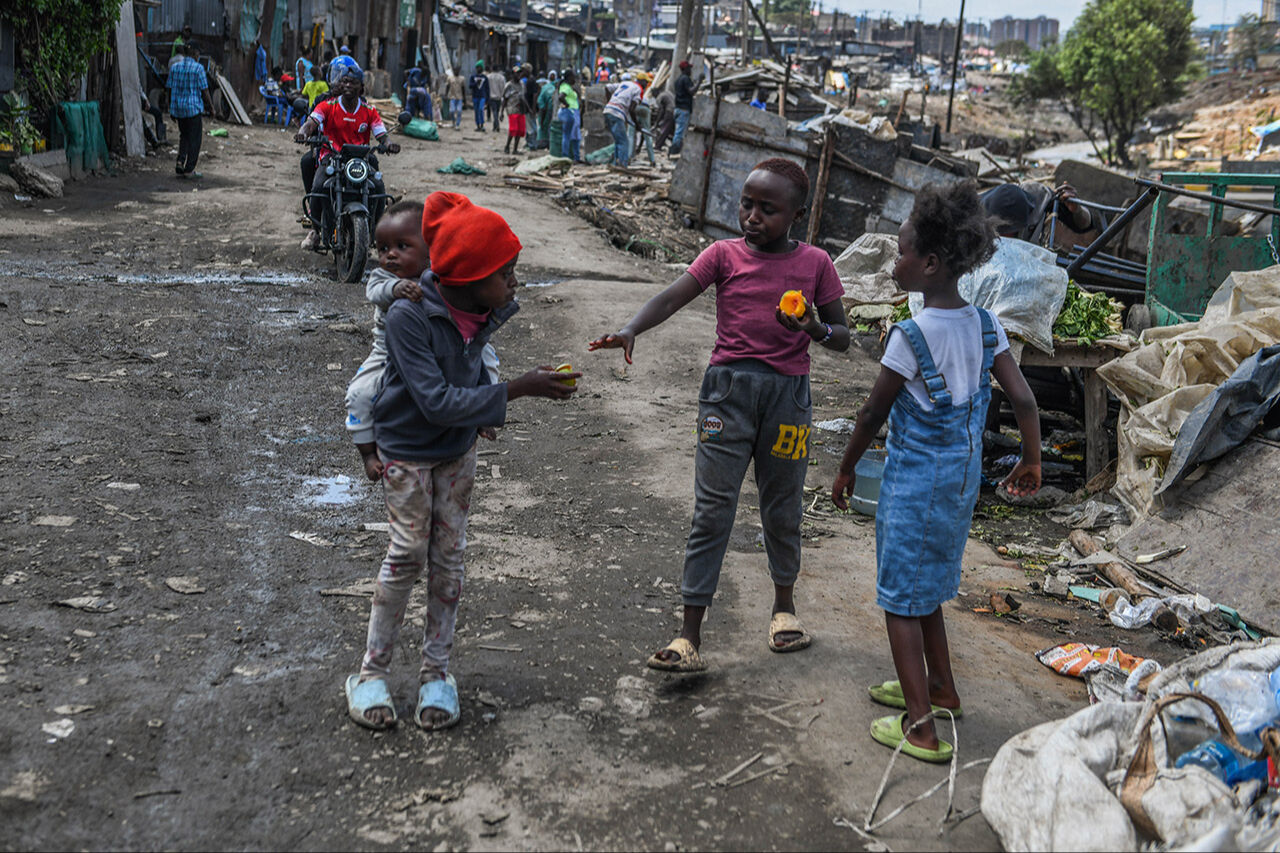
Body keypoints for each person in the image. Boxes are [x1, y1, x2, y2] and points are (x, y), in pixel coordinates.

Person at [589, 159, 850, 672]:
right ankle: (689, 636)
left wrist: (811, 328)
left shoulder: (817, 263)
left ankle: (783, 609)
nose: (752, 216)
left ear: (796, 214)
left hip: (788, 400)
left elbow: (842, 338)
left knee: (782, 507)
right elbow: (672, 296)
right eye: (747, 204)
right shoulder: (722, 255)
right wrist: (632, 328)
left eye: (767, 209)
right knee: (712, 510)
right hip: (725, 396)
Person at [343, 191, 581, 731]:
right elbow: (435, 400)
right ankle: (371, 674)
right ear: (469, 278)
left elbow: (471, 373)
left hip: (456, 453)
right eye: (507, 272)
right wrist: (516, 391)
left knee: (449, 560)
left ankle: (436, 673)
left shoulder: (481, 310)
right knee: (406, 555)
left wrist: (492, 402)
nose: (515, 283)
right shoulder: (408, 317)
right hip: (406, 453)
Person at [830, 182, 1042, 763]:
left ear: (928, 264)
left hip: (915, 486)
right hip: (959, 488)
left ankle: (922, 727)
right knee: (926, 590)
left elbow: (873, 412)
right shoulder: (985, 326)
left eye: (899, 253)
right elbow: (1024, 401)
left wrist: (846, 467)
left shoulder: (911, 335)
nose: (893, 262)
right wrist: (1031, 459)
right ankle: (942, 688)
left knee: (901, 598)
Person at [294, 69, 400, 250]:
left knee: (379, 187)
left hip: (359, 159)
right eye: (345, 82)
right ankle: (315, 231)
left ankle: (374, 231)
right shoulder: (328, 106)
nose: (348, 86)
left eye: (353, 82)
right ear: (340, 85)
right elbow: (311, 122)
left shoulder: (369, 111)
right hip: (331, 156)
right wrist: (303, 133)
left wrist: (389, 144)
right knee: (319, 185)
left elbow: (381, 133)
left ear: (362, 88)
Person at [981, 181, 1103, 248]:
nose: (1007, 238)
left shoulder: (1042, 199)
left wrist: (1077, 210)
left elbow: (1083, 226)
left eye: (1010, 232)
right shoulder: (974, 217)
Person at [164, 42, 212, 180]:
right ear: (195, 53)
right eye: (198, 53)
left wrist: (170, 108)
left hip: (178, 109)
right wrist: (212, 108)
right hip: (193, 109)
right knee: (195, 139)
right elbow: (205, 90)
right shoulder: (198, 69)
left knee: (184, 136)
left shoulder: (175, 67)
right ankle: (189, 169)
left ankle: (180, 161)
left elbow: (169, 88)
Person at [602, 76, 644, 167]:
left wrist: (609, 101)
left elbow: (607, 87)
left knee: (618, 140)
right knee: (624, 142)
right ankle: (623, 165)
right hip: (617, 113)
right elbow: (632, 110)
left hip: (608, 110)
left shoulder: (625, 83)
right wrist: (637, 124)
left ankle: (616, 164)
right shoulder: (638, 90)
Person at [669, 60, 696, 155]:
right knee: (680, 133)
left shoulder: (678, 80)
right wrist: (699, 82)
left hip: (678, 109)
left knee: (678, 132)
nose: (691, 71)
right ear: (686, 69)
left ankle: (674, 151)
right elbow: (692, 91)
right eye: (689, 68)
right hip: (684, 109)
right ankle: (673, 153)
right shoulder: (685, 79)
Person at [632, 73, 657, 167]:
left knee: (631, 134)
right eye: (645, 82)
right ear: (641, 81)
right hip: (644, 108)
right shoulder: (639, 89)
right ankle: (652, 160)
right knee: (647, 134)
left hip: (634, 107)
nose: (647, 84)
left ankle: (629, 157)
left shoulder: (632, 87)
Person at [557, 69, 582, 162]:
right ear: (569, 77)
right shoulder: (566, 87)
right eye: (573, 76)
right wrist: (567, 104)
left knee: (574, 136)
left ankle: (575, 157)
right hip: (569, 112)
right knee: (568, 135)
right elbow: (561, 97)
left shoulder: (568, 87)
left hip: (572, 112)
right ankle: (566, 156)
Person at [502, 70, 527, 155]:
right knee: (514, 129)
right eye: (517, 73)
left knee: (520, 130)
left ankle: (515, 149)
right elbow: (505, 99)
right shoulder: (509, 85)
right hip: (512, 108)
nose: (519, 75)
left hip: (520, 109)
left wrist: (528, 108)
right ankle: (507, 146)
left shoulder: (522, 84)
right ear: (513, 74)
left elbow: (523, 97)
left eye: (520, 73)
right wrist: (501, 112)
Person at [536, 70, 558, 151]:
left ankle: (544, 142)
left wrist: (541, 119)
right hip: (553, 107)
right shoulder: (552, 87)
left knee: (544, 125)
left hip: (548, 107)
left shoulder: (545, 89)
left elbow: (541, 106)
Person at [652, 87, 675, 151]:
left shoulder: (659, 97)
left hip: (669, 111)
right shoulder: (667, 92)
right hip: (676, 111)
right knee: (671, 131)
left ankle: (658, 146)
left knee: (664, 130)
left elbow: (661, 110)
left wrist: (657, 122)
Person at [468, 61, 490, 131]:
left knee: (481, 109)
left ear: (482, 68)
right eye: (477, 67)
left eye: (479, 67)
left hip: (482, 96)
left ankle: (482, 124)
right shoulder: (473, 77)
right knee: (476, 111)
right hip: (475, 96)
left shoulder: (485, 77)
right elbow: (470, 86)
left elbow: (487, 88)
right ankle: (478, 125)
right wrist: (475, 83)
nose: (478, 69)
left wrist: (488, 98)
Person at [522, 64, 540, 149]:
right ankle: (529, 143)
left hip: (530, 107)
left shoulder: (531, 80)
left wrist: (532, 108)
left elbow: (535, 95)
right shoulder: (530, 80)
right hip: (528, 106)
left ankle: (532, 144)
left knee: (531, 126)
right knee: (529, 125)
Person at [487, 67, 507, 133]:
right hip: (499, 97)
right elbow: (504, 87)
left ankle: (496, 125)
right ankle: (495, 125)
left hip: (491, 96)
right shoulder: (502, 77)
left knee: (494, 111)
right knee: (497, 111)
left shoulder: (488, 77)